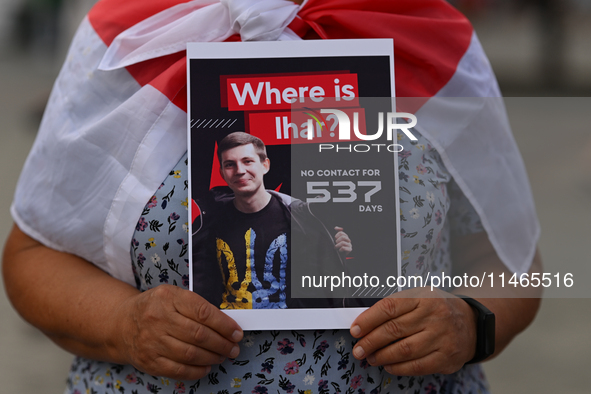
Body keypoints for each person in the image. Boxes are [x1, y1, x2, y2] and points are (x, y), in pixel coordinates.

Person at [2, 0, 542, 393]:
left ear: (264, 164)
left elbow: (511, 261)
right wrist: (123, 325)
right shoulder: (131, 33)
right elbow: (33, 254)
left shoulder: (427, 33)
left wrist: (472, 323)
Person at [192, 131, 352, 309]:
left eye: (247, 161)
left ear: (265, 165)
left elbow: (325, 277)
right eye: (230, 165)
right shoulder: (207, 221)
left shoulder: (301, 217)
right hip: (229, 327)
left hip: (291, 327)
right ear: (222, 173)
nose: (240, 171)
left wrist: (337, 253)